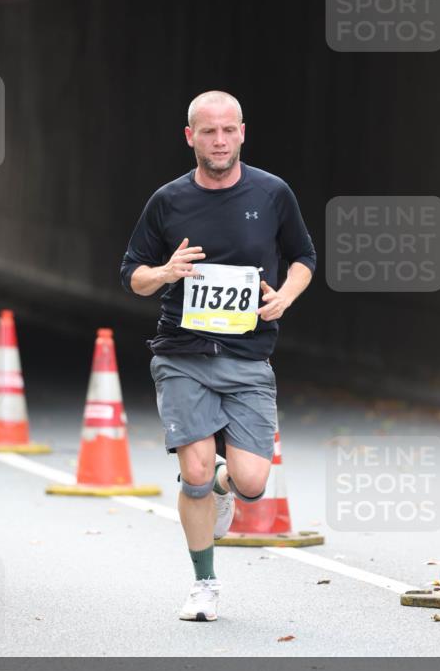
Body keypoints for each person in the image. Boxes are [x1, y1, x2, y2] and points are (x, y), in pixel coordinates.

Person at [120, 90, 316, 621]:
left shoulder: (273, 193)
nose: (220, 140)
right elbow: (132, 275)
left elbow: (303, 256)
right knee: (197, 469)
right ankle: (204, 583)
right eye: (208, 131)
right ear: (191, 137)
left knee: (252, 481)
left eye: (228, 129)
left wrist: (285, 296)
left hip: (248, 356)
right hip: (181, 353)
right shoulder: (168, 201)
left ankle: (224, 489)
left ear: (243, 133)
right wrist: (165, 272)